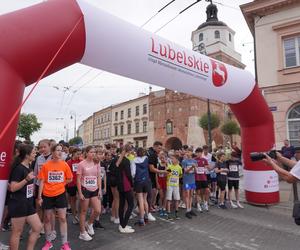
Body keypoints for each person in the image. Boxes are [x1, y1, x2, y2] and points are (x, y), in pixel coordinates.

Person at [37, 144, 73, 250]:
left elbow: (70, 179)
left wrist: (61, 184)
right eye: (57, 150)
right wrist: (39, 197)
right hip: (47, 195)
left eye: (61, 150)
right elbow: (42, 181)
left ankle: (65, 243)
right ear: (52, 152)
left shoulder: (64, 164)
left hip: (60, 194)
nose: (60, 152)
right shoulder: (46, 165)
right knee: (47, 219)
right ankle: (48, 242)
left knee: (62, 218)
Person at [8, 144, 42, 250]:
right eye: (33, 152)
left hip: (28, 203)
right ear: (27, 155)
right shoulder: (18, 169)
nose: (35, 153)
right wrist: (26, 179)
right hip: (18, 203)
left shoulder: (29, 166)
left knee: (38, 227)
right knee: (17, 232)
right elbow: (13, 188)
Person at [77, 146, 102, 241]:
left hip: (95, 189)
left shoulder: (97, 163)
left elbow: (98, 176)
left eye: (94, 152)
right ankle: (82, 232)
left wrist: (99, 189)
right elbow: (78, 180)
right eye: (91, 152)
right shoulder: (81, 164)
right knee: (83, 211)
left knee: (98, 210)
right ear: (86, 153)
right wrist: (80, 193)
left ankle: (90, 223)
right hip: (85, 189)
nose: (93, 154)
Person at [115, 144, 135, 233]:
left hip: (120, 184)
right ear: (129, 151)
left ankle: (122, 224)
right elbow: (128, 174)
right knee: (131, 204)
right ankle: (123, 225)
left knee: (122, 205)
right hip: (125, 184)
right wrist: (132, 184)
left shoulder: (117, 159)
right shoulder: (126, 160)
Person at [131, 147, 151, 226]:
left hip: (138, 181)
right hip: (146, 180)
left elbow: (133, 173)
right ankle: (146, 216)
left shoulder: (134, 160)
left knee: (140, 200)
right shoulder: (146, 158)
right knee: (145, 199)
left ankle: (141, 220)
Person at [147, 141, 164, 220]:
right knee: (150, 195)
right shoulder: (152, 154)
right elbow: (151, 169)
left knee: (151, 194)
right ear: (155, 146)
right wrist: (163, 171)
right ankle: (148, 212)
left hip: (151, 177)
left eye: (161, 148)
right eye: (159, 148)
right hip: (149, 178)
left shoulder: (151, 153)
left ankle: (145, 210)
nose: (160, 150)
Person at [66, 148, 81, 225]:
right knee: (73, 200)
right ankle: (74, 216)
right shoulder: (69, 162)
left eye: (80, 154)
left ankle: (79, 215)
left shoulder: (81, 161)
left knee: (80, 199)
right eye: (77, 154)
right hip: (71, 184)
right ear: (73, 153)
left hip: (79, 183)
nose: (79, 155)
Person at [181, 148, 197, 219]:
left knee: (191, 195)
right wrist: (192, 167)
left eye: (189, 152)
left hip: (192, 180)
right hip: (187, 180)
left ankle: (190, 209)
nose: (188, 153)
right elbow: (185, 171)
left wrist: (195, 168)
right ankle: (187, 211)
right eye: (187, 152)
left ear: (191, 153)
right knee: (187, 195)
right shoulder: (184, 161)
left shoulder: (194, 161)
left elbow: (195, 171)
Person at [166, 155, 182, 220]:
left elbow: (180, 175)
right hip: (170, 185)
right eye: (171, 159)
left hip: (176, 185)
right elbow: (167, 174)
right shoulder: (169, 167)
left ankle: (176, 213)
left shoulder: (179, 167)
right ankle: (168, 214)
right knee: (169, 199)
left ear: (177, 160)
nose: (172, 160)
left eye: (173, 159)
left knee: (177, 199)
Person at [194, 147, 210, 212]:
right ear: (196, 153)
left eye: (200, 153)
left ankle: (205, 204)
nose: (199, 154)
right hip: (197, 178)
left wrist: (207, 167)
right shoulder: (194, 160)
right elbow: (192, 168)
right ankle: (198, 205)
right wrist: (195, 167)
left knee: (207, 191)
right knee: (198, 192)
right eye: (197, 153)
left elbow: (208, 167)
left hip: (204, 178)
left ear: (201, 153)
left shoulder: (204, 160)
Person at [157, 151, 168, 217]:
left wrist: (167, 165)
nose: (162, 159)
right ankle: (161, 207)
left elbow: (168, 172)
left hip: (166, 180)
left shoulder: (168, 164)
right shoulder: (158, 164)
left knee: (165, 195)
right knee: (161, 196)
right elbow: (156, 174)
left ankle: (164, 208)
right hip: (160, 180)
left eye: (163, 158)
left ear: (166, 158)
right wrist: (157, 182)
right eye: (161, 158)